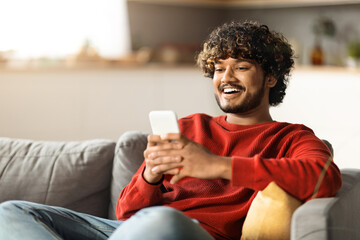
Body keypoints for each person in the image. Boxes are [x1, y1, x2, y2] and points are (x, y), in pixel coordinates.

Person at [0, 20, 342, 240]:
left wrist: (217, 166)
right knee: (13, 211)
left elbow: (322, 176)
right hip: (130, 231)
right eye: (219, 68)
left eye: (241, 67)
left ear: (270, 77)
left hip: (189, 233)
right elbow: (127, 214)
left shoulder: (292, 138)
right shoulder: (189, 127)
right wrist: (149, 176)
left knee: (162, 223)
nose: (226, 78)